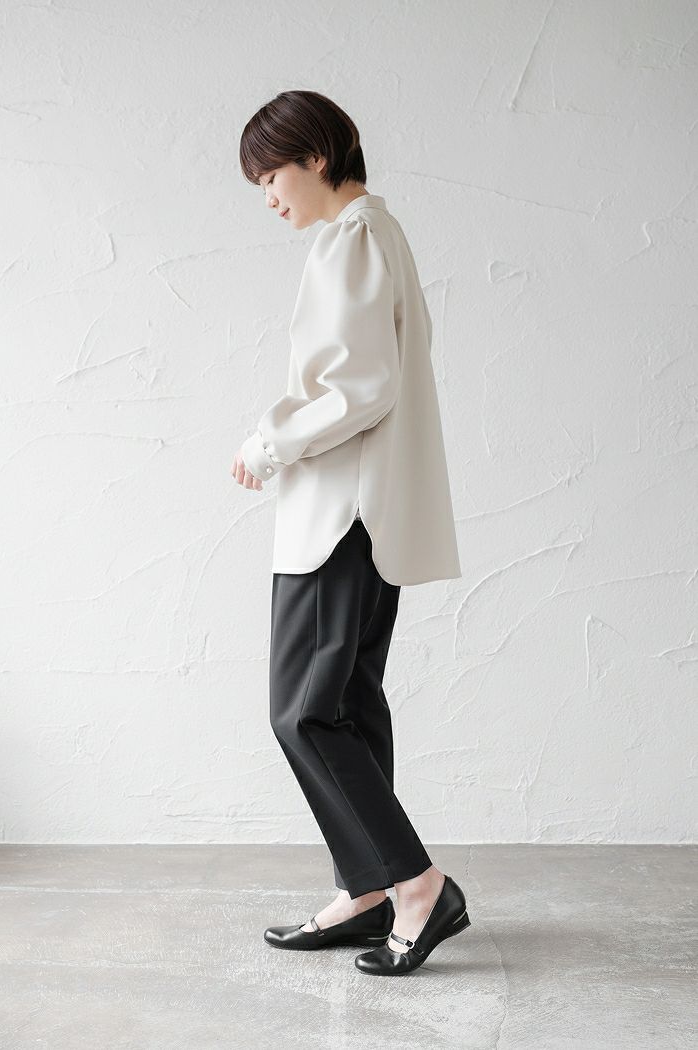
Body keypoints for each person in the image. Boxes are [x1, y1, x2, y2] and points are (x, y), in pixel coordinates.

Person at [232, 90, 470, 976]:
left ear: (318, 158)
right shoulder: (378, 235)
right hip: (363, 518)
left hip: (343, 520)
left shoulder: (353, 238)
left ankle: (417, 885)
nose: (268, 196)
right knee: (349, 707)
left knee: (306, 712)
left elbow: (359, 387)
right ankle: (368, 889)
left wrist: (266, 444)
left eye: (272, 175)